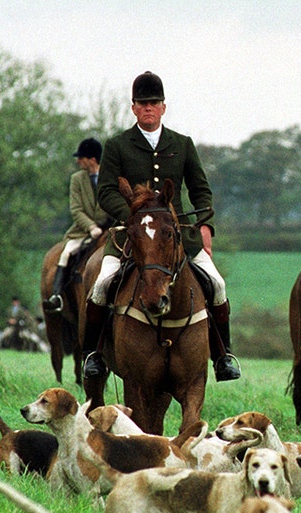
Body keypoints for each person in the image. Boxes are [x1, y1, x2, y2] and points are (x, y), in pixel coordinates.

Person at [82, 71, 240, 382]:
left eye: (153, 103)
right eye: (142, 103)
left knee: (217, 285)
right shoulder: (117, 145)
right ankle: (94, 355)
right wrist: (132, 217)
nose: (148, 108)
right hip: (132, 235)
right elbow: (107, 192)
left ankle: (223, 356)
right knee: (101, 285)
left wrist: (205, 226)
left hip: (177, 235)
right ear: (134, 108)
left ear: (163, 107)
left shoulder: (182, 144)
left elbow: (200, 190)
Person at [44, 138, 112, 312]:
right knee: (66, 254)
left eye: (80, 157)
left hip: (110, 229)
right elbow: (76, 210)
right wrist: (91, 227)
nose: (77, 161)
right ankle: (57, 296)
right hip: (83, 231)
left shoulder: (111, 176)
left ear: (91, 159)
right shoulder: (77, 179)